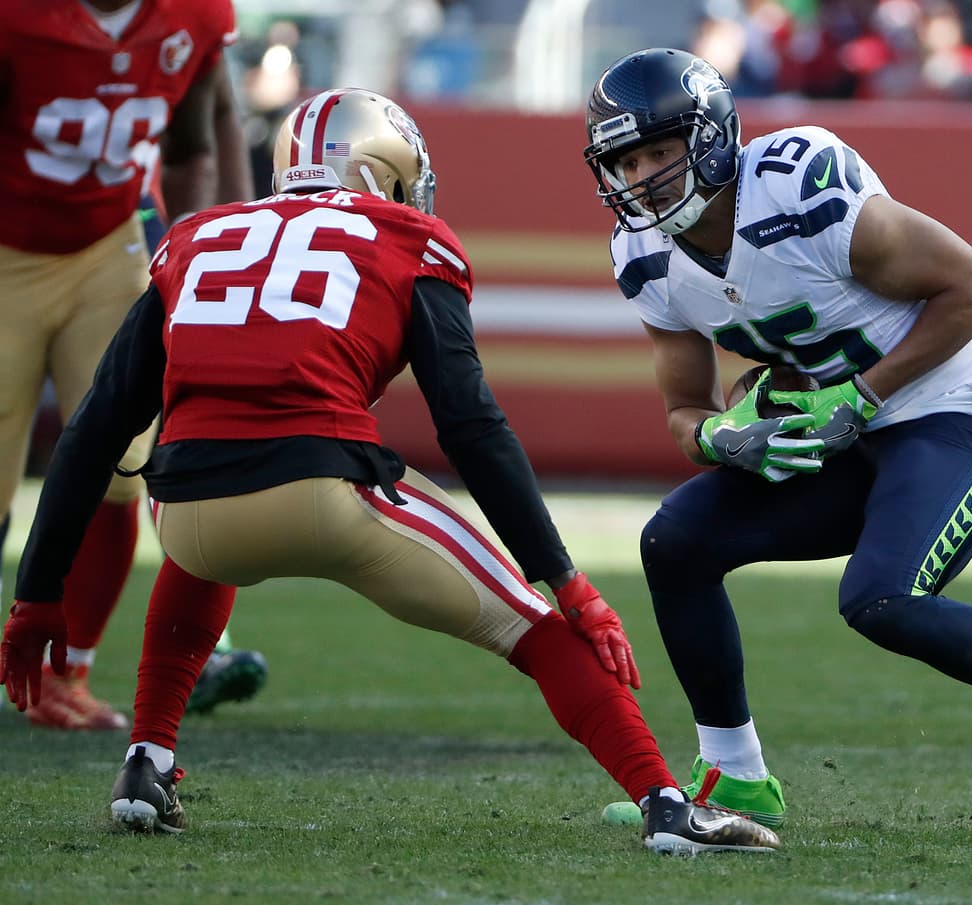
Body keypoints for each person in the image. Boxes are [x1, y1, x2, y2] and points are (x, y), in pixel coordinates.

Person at [0, 87, 780, 856]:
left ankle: (146, 762)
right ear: (385, 171)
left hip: (187, 510)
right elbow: (470, 424)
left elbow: (95, 428)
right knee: (537, 629)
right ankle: (665, 802)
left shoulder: (194, 237)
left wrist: (34, 596)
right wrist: (567, 580)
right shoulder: (410, 237)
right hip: (324, 488)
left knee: (201, 524)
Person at [583, 48, 972, 837]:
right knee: (675, 541)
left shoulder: (794, 186)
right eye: (625, 162)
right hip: (843, 436)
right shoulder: (643, 255)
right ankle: (735, 774)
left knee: (881, 598)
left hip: (957, 409)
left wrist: (861, 394)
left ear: (710, 137)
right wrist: (722, 435)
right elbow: (686, 408)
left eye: (657, 152)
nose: (641, 178)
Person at [0, 0, 268, 729]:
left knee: (119, 467)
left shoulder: (193, 16)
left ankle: (66, 675)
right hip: (7, 246)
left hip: (107, 245)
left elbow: (193, 144)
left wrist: (206, 249)